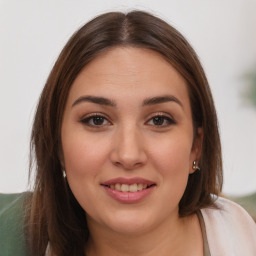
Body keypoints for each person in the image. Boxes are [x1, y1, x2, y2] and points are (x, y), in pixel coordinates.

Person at [0, 10, 256, 256]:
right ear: (57, 145)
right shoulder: (9, 236)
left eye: (158, 120)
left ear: (195, 146)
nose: (128, 154)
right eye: (97, 120)